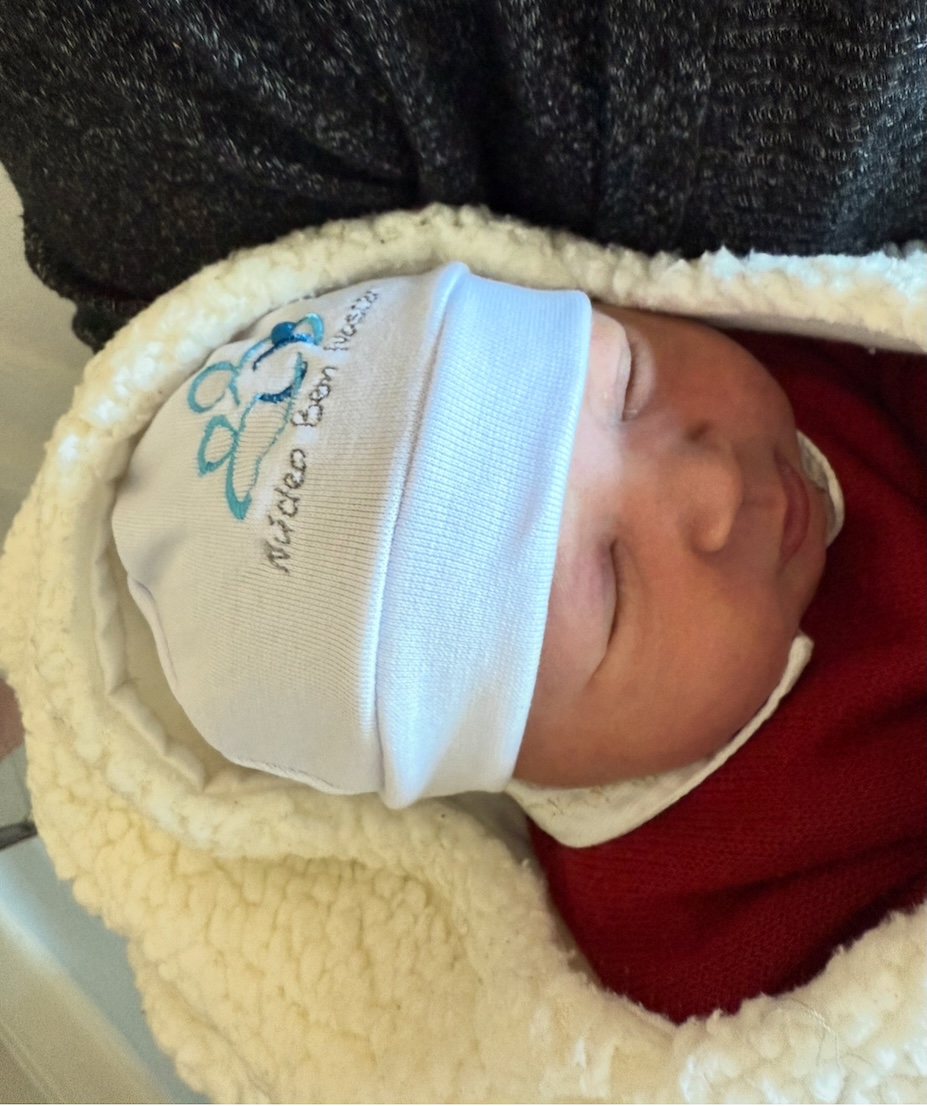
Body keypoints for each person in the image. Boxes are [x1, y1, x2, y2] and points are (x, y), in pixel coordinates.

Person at [111, 262, 837, 817]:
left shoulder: (816, 315)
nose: (714, 483)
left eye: (629, 381)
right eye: (615, 593)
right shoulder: (688, 920)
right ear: (547, 772)